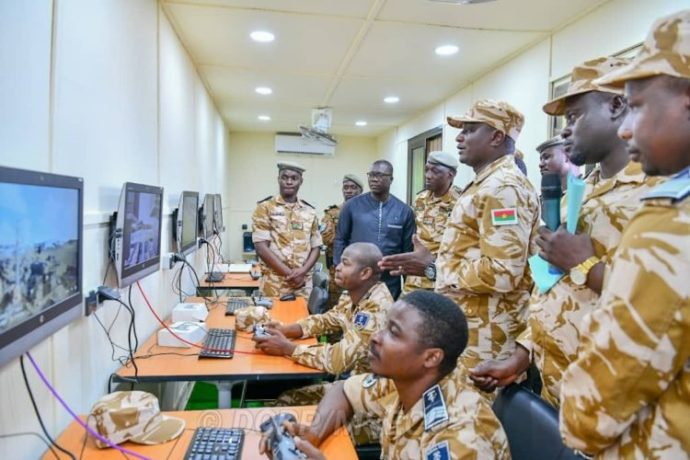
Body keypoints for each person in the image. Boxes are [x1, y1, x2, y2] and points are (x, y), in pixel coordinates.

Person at [470, 56, 663, 408]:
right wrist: (523, 356)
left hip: (619, 401)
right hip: (558, 386)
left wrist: (585, 264)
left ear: (617, 105)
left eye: (574, 117)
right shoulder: (582, 192)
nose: (564, 131)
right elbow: (555, 289)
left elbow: (662, 302)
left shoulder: (659, 192)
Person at [557, 10, 690, 457]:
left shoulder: (670, 219)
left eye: (637, 105)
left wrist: (574, 421)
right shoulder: (588, 188)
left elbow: (599, 403)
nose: (628, 127)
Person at [380, 100, 540, 375]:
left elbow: (503, 271)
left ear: (497, 136)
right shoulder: (486, 184)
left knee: (478, 414)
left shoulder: (504, 188)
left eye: (469, 129)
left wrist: (434, 267)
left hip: (488, 338)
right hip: (470, 327)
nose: (459, 137)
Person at [262, 291, 510, 459]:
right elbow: (343, 391)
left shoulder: (461, 437)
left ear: (431, 357)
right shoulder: (406, 382)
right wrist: (314, 434)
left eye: (394, 332)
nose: (376, 337)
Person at [253, 242, 393, 444]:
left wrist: (288, 348)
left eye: (345, 263)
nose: (337, 267)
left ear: (365, 273)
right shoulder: (355, 293)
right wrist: (287, 329)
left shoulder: (375, 308)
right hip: (349, 389)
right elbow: (327, 320)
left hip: (372, 405)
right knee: (286, 400)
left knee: (306, 430)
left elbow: (338, 361)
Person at [334, 160, 415, 300]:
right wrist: (341, 268)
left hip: (389, 281)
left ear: (391, 179)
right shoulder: (352, 206)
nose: (374, 179)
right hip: (356, 278)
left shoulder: (404, 211)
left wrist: (408, 284)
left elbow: (407, 250)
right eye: (371, 175)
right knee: (353, 317)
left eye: (380, 175)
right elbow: (340, 239)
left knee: (386, 318)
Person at [252, 161, 322, 298]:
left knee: (303, 319)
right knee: (273, 319)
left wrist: (302, 272)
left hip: (303, 283)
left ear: (301, 181)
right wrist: (290, 275)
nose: (289, 182)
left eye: (294, 178)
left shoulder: (310, 211)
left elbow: (316, 246)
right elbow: (261, 247)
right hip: (275, 282)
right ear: (278, 179)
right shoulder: (265, 208)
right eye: (284, 177)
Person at [403, 151, 461, 293]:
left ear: (450, 174)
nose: (428, 175)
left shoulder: (462, 200)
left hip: (444, 278)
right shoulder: (420, 199)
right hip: (416, 278)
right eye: (426, 170)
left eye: (435, 171)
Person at [320, 174, 364, 307]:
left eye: (353, 187)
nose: (349, 191)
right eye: (346, 187)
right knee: (336, 304)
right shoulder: (332, 213)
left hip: (361, 266)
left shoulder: (368, 212)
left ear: (360, 191)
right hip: (338, 267)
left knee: (361, 302)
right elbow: (326, 238)